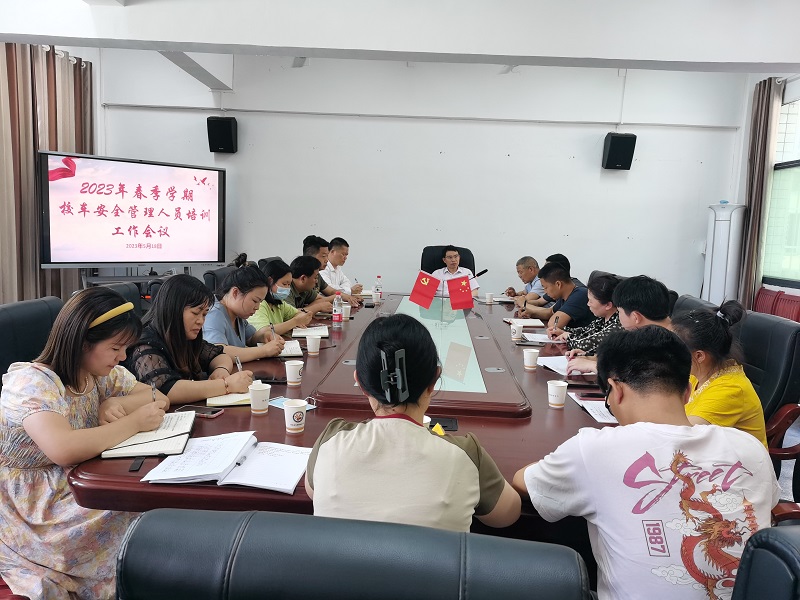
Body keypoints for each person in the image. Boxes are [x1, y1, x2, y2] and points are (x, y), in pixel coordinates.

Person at [513, 326, 778, 600]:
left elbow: (525, 483)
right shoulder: (749, 447)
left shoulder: (594, 448)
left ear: (616, 390)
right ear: (688, 392)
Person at [0, 287, 168, 599]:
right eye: (115, 348)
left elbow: (158, 395)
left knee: (147, 502)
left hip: (77, 477)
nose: (123, 357)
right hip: (33, 505)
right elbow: (63, 448)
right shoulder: (31, 384)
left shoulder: (96, 375)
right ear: (81, 342)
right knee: (135, 509)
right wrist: (132, 422)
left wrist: (112, 404)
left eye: (125, 348)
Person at [306, 314, 521, 533]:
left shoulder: (330, 441)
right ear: (434, 380)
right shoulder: (466, 455)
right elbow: (508, 514)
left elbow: (313, 491)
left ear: (360, 382)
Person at [124, 274, 253, 403]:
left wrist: (221, 370)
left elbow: (219, 355)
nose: (201, 321)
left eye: (204, 314)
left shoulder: (185, 336)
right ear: (174, 309)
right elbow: (166, 391)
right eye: (196, 313)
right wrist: (226, 385)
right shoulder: (145, 345)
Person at [672, 301, 767, 447]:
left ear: (699, 356)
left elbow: (683, 435)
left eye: (673, 350)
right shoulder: (698, 372)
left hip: (736, 460)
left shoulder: (731, 389)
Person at [567, 274, 672, 373]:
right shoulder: (652, 334)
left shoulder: (668, 347)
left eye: (619, 311)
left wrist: (593, 366)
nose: (618, 316)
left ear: (635, 317)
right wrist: (591, 357)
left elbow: (637, 378)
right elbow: (627, 360)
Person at [202, 254, 285, 362]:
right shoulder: (214, 313)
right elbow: (217, 351)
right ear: (235, 292)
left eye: (260, 302)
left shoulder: (237, 314)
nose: (257, 307)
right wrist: (264, 351)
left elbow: (250, 338)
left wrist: (264, 336)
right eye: (255, 301)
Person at [548, 274, 623, 355]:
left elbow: (585, 345)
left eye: (591, 301)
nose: (588, 304)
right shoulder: (603, 318)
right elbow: (585, 331)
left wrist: (568, 337)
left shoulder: (618, 324)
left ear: (608, 305)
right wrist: (562, 331)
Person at [248, 259, 315, 336]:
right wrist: (295, 322)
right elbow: (264, 332)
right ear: (270, 281)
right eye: (284, 284)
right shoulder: (259, 304)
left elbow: (298, 314)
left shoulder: (279, 303)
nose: (287, 288)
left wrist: (300, 318)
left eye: (289, 284)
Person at [519, 262, 593, 328]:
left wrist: (524, 304)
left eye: (545, 287)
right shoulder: (565, 295)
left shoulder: (580, 295)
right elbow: (550, 312)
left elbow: (554, 324)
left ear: (558, 284)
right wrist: (531, 313)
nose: (545, 291)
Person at [303, 235, 359, 306]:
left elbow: (331, 291)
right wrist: (342, 295)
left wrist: (347, 297)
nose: (327, 260)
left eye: (327, 256)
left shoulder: (317, 275)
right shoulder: (303, 276)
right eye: (324, 256)